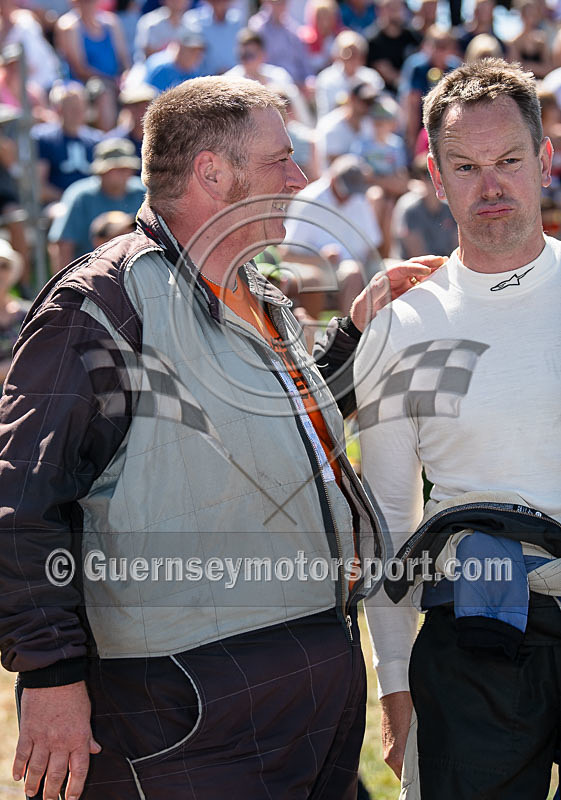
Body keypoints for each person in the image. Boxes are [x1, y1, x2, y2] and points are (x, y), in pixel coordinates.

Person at [0, 75, 434, 800]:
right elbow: (22, 505)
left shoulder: (254, 290)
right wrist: (51, 676)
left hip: (305, 686)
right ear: (211, 171)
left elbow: (281, 429)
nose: (299, 179)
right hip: (183, 710)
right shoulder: (100, 303)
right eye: (281, 160)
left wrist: (355, 333)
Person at [355, 58, 561, 798]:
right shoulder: (401, 328)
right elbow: (388, 515)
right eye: (466, 167)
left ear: (543, 159)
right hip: (475, 629)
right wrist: (394, 681)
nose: (491, 185)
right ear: (437, 180)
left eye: (509, 160)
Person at [48, 137, 145, 267]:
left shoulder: (143, 192)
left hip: (136, 269)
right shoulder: (80, 196)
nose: (125, 173)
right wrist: (66, 278)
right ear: (102, 171)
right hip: (89, 271)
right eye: (117, 169)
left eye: (127, 167)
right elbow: (63, 245)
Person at [32, 81, 103, 205]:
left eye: (80, 107)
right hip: (57, 203)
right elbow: (39, 186)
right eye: (71, 108)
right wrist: (69, 200)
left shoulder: (96, 140)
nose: (77, 112)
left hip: (92, 205)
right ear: (59, 110)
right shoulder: (44, 139)